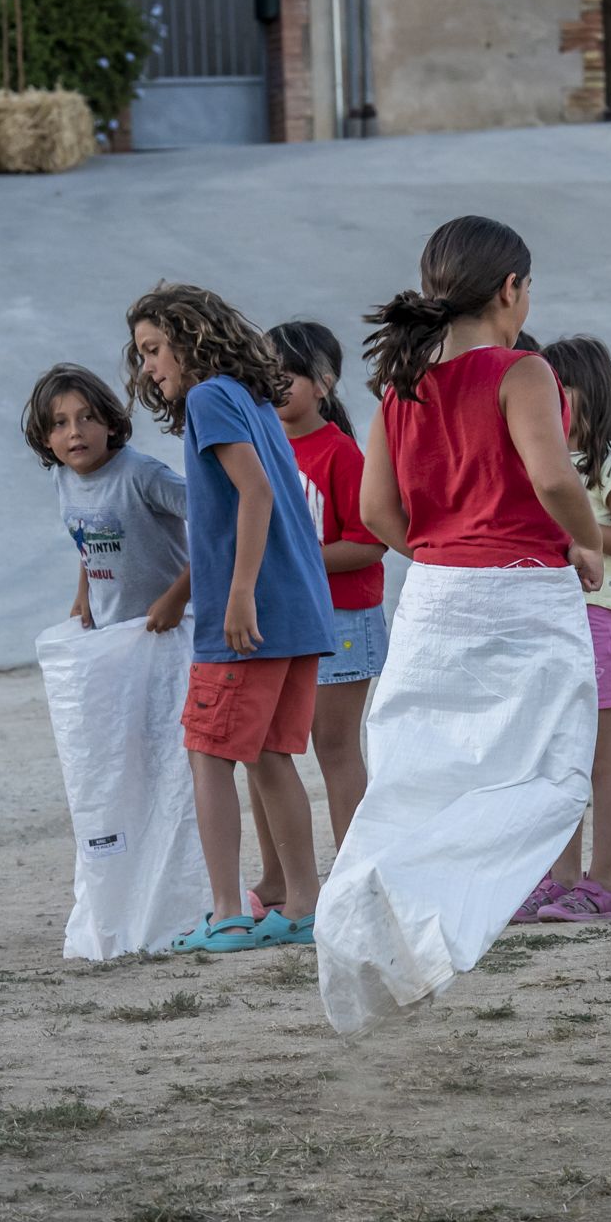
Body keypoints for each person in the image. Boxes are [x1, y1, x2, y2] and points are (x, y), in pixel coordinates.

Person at [314, 215, 604, 1035]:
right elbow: (551, 476)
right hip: (519, 590)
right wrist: (583, 540)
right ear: (511, 289)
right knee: (546, 775)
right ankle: (443, 907)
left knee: (417, 775)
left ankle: (371, 902)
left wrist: (440, 552)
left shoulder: (398, 388)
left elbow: (376, 512)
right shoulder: (522, 370)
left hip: (434, 595)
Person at [127, 284, 336, 953]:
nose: (149, 367)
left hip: (249, 619)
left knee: (208, 752)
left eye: (154, 349)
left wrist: (239, 591)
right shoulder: (250, 397)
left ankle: (226, 912)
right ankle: (303, 905)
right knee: (272, 757)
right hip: (295, 610)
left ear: (192, 340)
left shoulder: (210, 397)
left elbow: (257, 491)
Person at [244, 321, 388, 915]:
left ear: (325, 382)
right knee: (266, 749)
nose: (277, 385)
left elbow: (372, 540)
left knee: (334, 749)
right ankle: (278, 880)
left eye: (291, 374)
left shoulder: (342, 453)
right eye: (268, 372)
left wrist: (292, 562)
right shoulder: (257, 449)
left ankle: (356, 878)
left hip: (342, 621)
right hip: (282, 621)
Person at [514, 334, 611, 924]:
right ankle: (561, 878)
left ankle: (605, 883)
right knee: (555, 756)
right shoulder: (537, 459)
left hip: (602, 621)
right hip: (551, 620)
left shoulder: (609, 464)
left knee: (600, 758)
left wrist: (574, 540)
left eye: (558, 392)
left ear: (587, 396)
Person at [21, 362, 190, 632]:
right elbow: (89, 533)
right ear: (45, 438)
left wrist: (178, 597)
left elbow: (217, 524)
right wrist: (83, 592)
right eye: (60, 423)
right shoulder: (62, 476)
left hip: (170, 626)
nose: (75, 431)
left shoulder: (141, 474)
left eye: (87, 417)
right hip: (111, 631)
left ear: (111, 424)